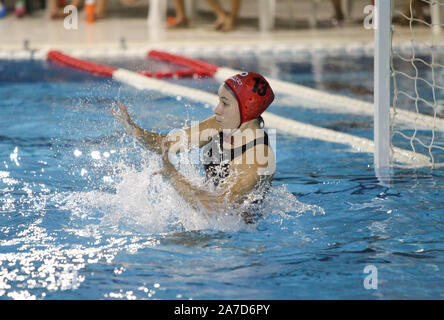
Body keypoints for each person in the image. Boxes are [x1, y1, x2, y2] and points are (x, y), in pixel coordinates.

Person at [111, 72, 276, 223]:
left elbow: (218, 210)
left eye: (225, 103)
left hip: (238, 238)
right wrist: (136, 131)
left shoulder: (256, 159)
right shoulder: (222, 123)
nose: (216, 109)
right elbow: (168, 144)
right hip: (212, 222)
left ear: (247, 109)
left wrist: (174, 177)